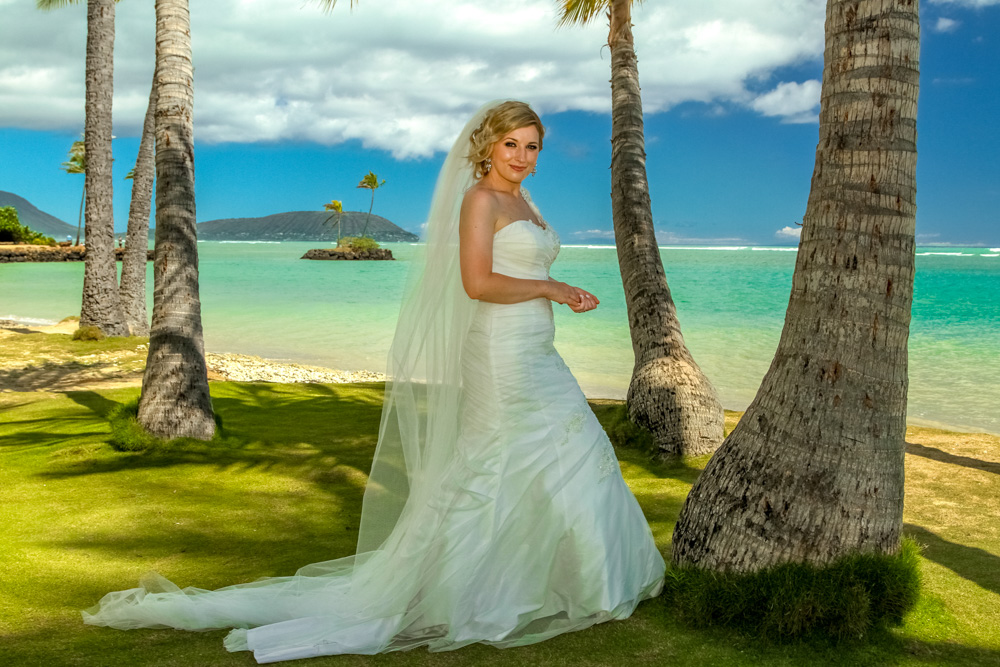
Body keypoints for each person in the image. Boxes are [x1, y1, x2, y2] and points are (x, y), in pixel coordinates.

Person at [82, 100, 665, 663]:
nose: (521, 155)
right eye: (510, 143)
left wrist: (550, 290)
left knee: (559, 453)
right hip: (498, 351)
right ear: (487, 146)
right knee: (504, 462)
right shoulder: (480, 200)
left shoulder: (527, 202)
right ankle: (468, 591)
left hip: (536, 348)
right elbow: (478, 284)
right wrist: (552, 288)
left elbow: (521, 267)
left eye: (532, 146)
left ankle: (574, 579)